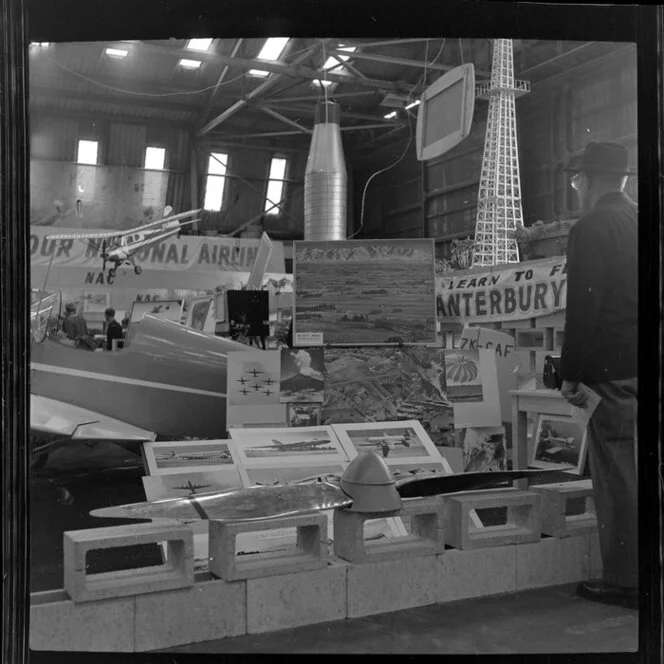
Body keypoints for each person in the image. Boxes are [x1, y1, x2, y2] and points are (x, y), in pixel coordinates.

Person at [559, 142, 638, 610]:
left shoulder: (591, 227)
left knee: (618, 476)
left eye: (577, 181)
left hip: (612, 373)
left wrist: (571, 374)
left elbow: (584, 307)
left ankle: (627, 581)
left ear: (588, 180)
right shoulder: (644, 219)